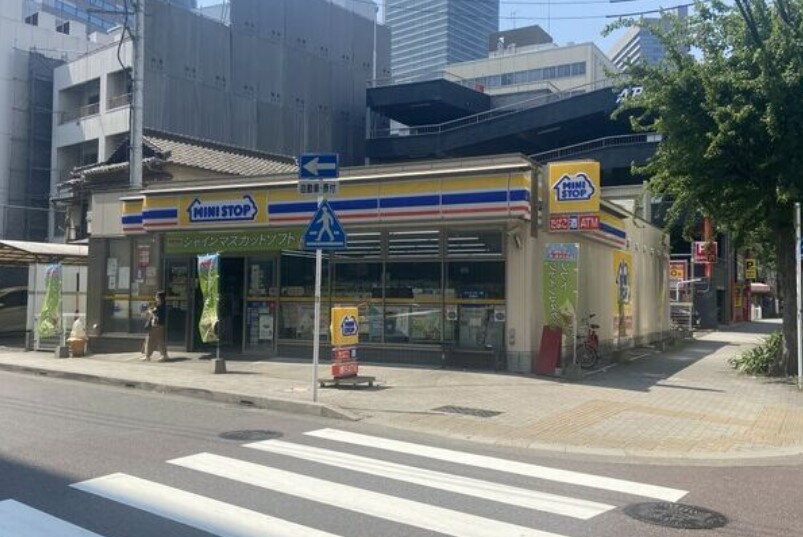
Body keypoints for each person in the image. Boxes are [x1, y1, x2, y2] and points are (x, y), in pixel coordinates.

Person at [142, 291, 168, 362]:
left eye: (157, 296)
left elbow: (155, 313)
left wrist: (150, 311)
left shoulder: (161, 306)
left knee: (157, 340)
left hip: (158, 325)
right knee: (151, 340)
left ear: (160, 298)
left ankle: (163, 355)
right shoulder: (161, 305)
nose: (155, 298)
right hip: (157, 325)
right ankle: (148, 356)